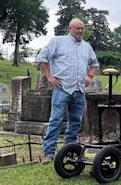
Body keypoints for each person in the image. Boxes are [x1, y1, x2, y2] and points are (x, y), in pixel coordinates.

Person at [36, 18, 99, 164]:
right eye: (77, 28)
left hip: (79, 89)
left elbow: (94, 63)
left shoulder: (86, 47)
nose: (81, 31)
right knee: (56, 120)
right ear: (69, 28)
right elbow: (42, 58)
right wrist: (49, 76)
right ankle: (49, 153)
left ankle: (69, 151)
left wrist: (90, 76)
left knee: (76, 122)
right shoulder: (57, 41)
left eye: (82, 28)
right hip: (61, 88)